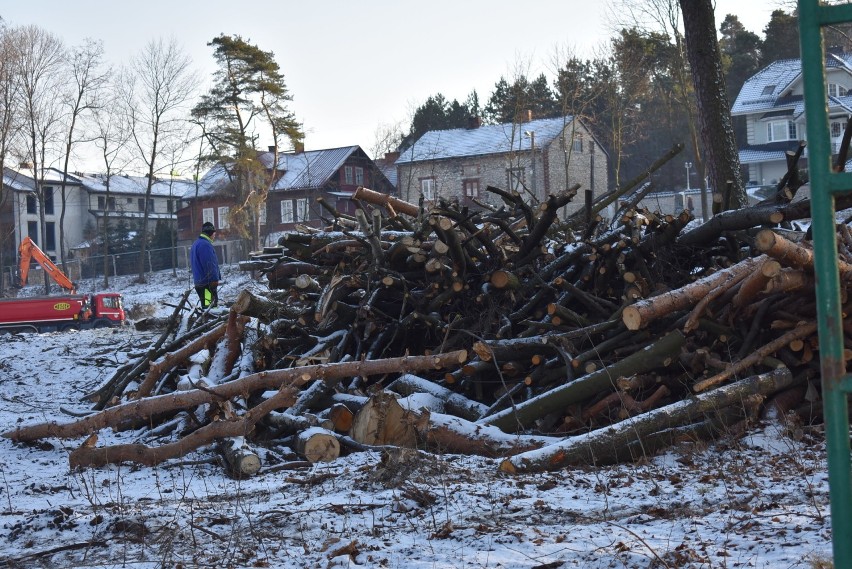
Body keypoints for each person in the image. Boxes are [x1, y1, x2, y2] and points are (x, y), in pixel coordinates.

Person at [190, 221, 221, 308]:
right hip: (207, 284)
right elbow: (209, 264)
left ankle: (206, 320)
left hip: (199, 282)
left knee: (206, 307)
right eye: (214, 233)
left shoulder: (196, 243)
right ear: (210, 233)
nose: (215, 235)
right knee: (211, 308)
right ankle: (210, 320)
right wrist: (214, 280)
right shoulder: (205, 245)